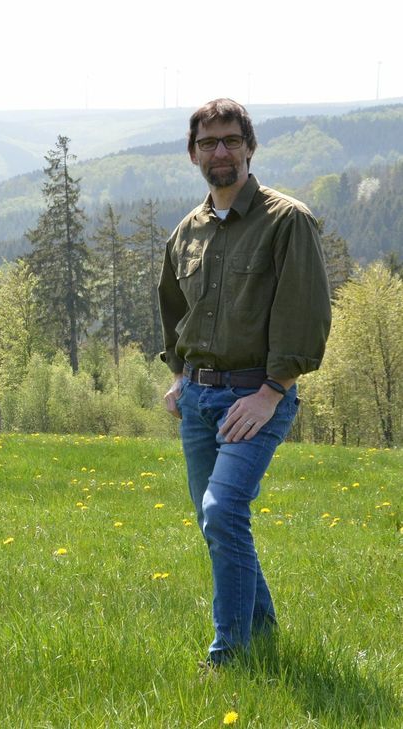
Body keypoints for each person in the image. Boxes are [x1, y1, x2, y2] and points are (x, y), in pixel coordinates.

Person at [158, 98, 331, 667]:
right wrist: (180, 375)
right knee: (218, 523)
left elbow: (304, 314)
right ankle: (263, 631)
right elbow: (173, 308)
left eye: (231, 140)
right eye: (208, 143)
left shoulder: (287, 221)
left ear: (250, 148)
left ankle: (228, 654)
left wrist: (272, 390)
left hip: (257, 395)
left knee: (223, 511)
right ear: (193, 154)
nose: (221, 152)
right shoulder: (187, 231)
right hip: (200, 399)